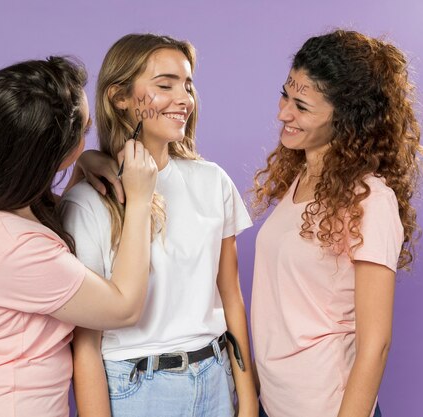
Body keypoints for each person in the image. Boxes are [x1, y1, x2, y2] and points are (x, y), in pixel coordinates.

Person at [0, 56, 158, 417]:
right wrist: (139, 200)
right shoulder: (17, 248)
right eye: (84, 132)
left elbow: (45, 228)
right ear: (46, 158)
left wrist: (77, 166)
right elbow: (124, 307)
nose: (88, 135)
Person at [62, 33, 259, 417]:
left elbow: (231, 297)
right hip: (137, 390)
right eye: (165, 85)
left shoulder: (212, 180)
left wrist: (247, 398)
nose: (184, 98)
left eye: (188, 84)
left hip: (217, 380)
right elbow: (85, 341)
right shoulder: (87, 202)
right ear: (120, 98)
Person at [251, 30, 423, 417]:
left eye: (302, 105)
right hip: (275, 404)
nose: (284, 113)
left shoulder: (371, 200)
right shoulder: (299, 177)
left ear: (346, 118)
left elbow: (375, 344)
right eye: (285, 94)